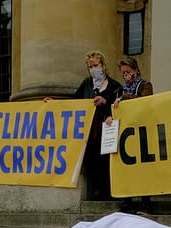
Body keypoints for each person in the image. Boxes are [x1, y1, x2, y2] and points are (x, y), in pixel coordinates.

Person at [51, 50, 122, 201]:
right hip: (89, 130)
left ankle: (109, 193)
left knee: (107, 161)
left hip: (107, 129)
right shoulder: (87, 84)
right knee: (91, 160)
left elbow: (121, 106)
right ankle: (95, 192)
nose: (93, 69)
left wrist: (106, 102)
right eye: (90, 66)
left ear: (103, 65)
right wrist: (54, 103)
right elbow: (74, 102)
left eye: (96, 65)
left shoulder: (114, 85)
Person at [113, 57, 154, 213]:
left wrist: (124, 98)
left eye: (128, 72)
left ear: (136, 70)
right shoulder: (120, 89)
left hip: (143, 131)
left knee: (143, 169)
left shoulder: (145, 85)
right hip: (127, 132)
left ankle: (146, 203)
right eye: (123, 73)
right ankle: (127, 202)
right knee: (127, 168)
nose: (126, 75)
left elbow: (145, 102)